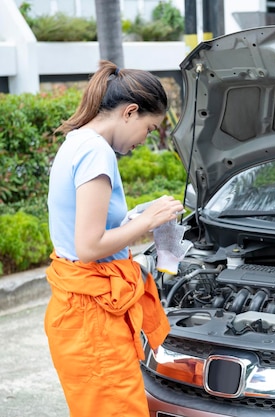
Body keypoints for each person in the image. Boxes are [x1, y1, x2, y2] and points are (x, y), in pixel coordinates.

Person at [44, 60, 183, 417]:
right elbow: (89, 247)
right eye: (150, 129)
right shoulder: (96, 153)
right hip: (93, 319)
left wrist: (136, 216)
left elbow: (84, 228)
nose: (145, 140)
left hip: (79, 309)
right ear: (130, 112)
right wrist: (149, 220)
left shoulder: (77, 142)